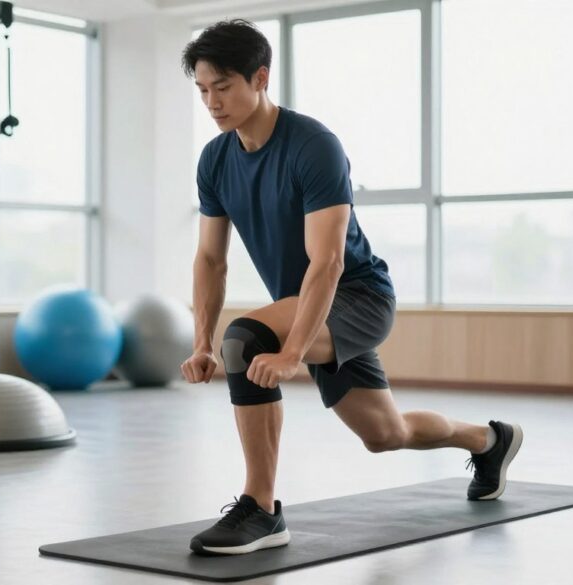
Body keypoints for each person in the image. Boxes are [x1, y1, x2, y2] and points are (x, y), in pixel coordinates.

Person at [178, 20, 524, 557]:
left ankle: (263, 511)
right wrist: (199, 342)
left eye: (223, 87)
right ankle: (489, 440)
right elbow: (209, 258)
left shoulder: (312, 145)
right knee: (384, 434)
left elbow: (329, 260)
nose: (212, 102)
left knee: (246, 340)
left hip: (358, 296)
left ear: (260, 77)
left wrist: (291, 350)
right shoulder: (216, 159)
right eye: (202, 90)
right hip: (306, 306)